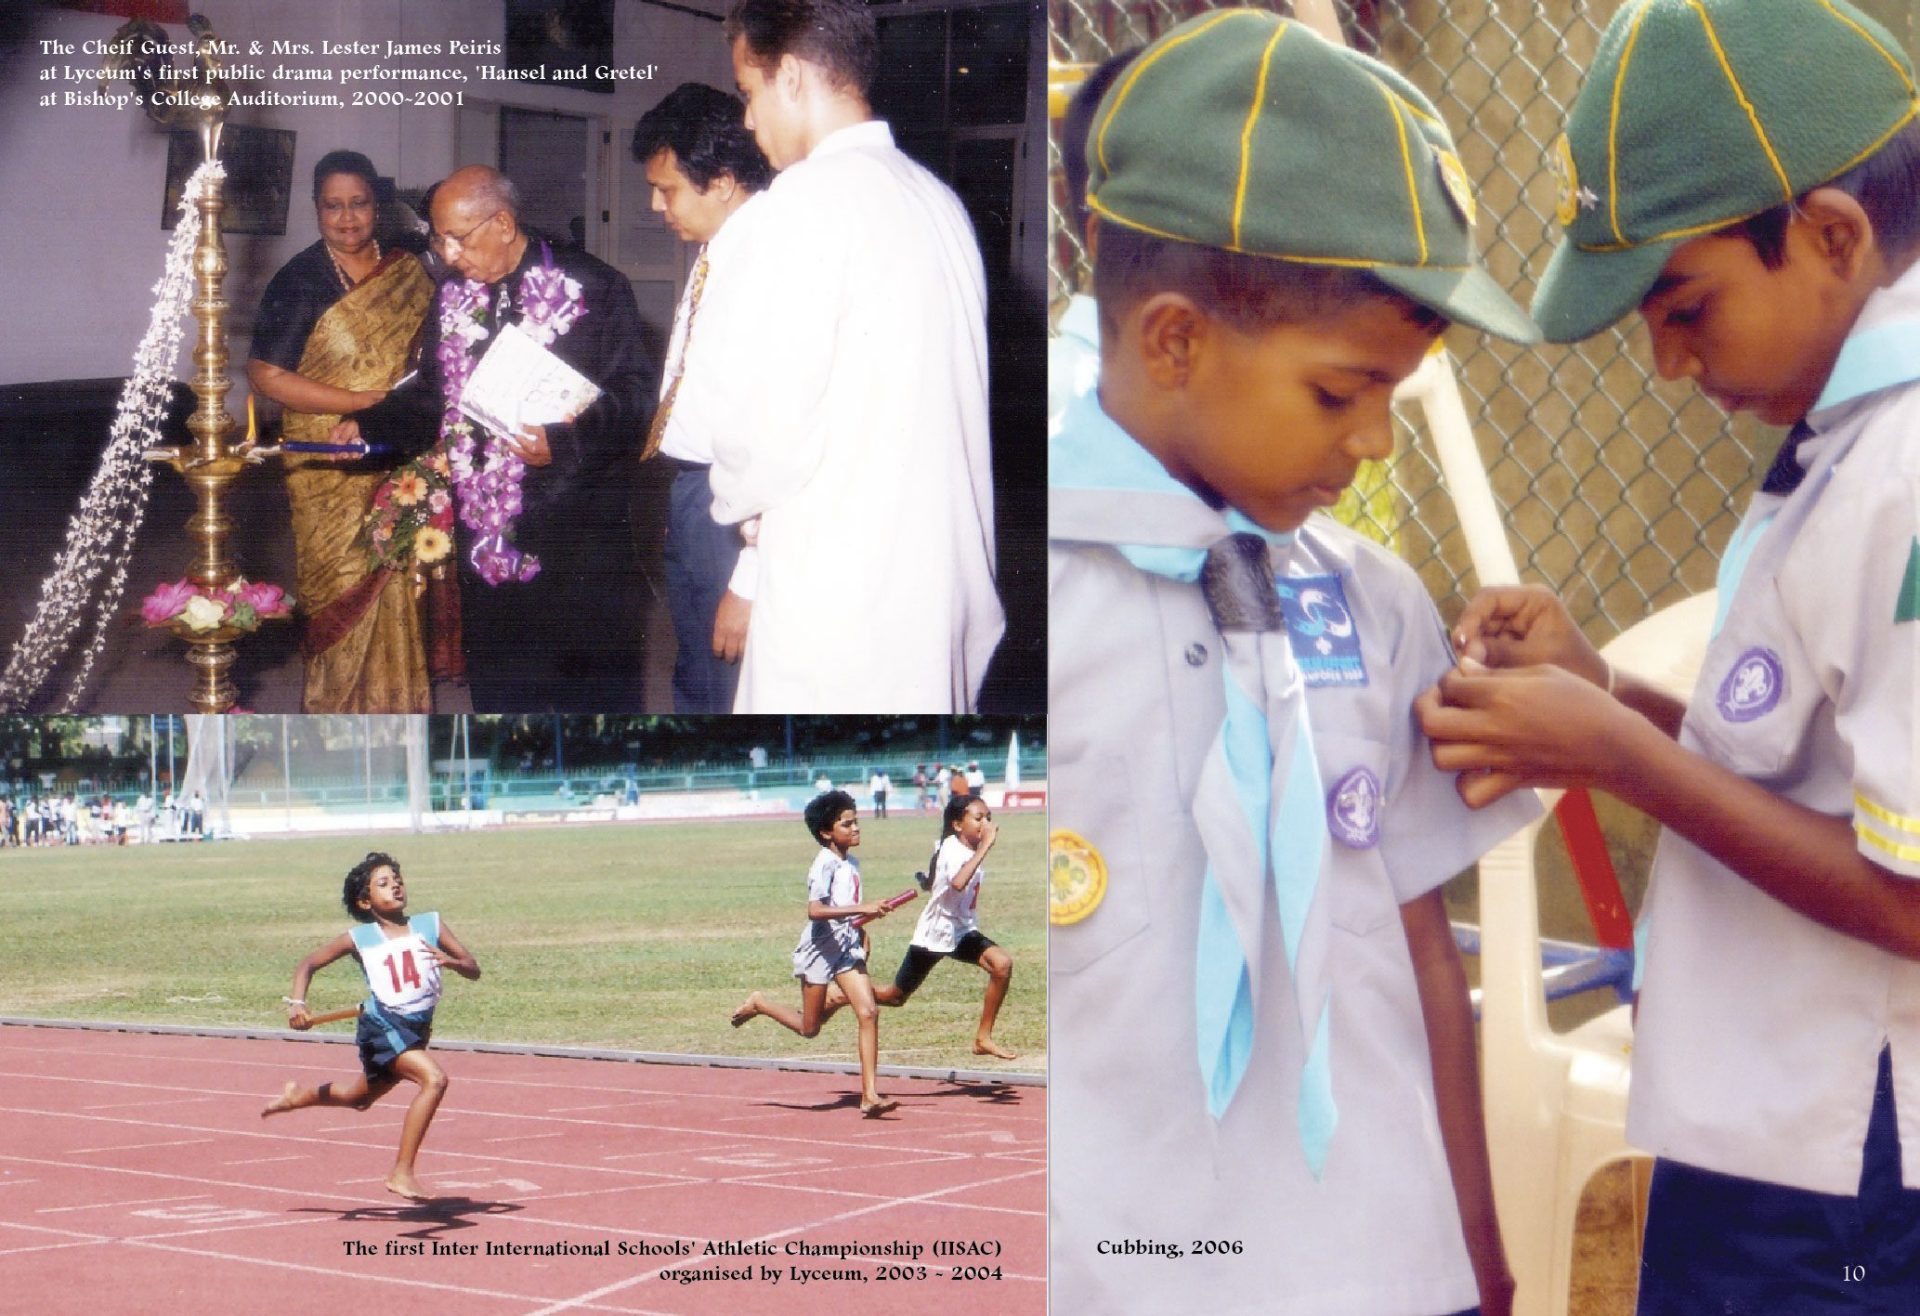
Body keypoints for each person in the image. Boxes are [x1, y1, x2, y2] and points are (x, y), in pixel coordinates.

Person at [1415, 2, 1920, 1310]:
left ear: (1831, 235)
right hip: (1777, 1132)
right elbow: (1813, 763)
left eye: (1684, 304)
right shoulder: (1850, 432)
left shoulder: (1909, 466)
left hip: (1847, 1160)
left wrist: (1622, 757)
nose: (1664, 358)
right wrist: (1607, 694)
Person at [1048, 13, 1544, 1315]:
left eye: (1396, 390)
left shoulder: (1371, 601)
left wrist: (1477, 1250)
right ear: (1173, 342)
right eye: (1340, 392)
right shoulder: (1018, 604)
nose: (1377, 440)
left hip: (1382, 1261)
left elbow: (1425, 947)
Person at [670, 0, 1003, 712]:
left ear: (789, 76)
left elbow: (761, 432)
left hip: (841, 584)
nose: (750, 121)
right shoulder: (936, 197)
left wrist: (742, 520)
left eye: (749, 93)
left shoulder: (800, 204)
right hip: (934, 578)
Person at [347, 165, 653, 711]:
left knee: (587, 696)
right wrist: (369, 428)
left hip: (577, 535)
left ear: (504, 224)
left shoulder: (596, 288)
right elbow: (432, 396)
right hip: (487, 534)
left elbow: (637, 403)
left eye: (456, 238)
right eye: (437, 240)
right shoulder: (453, 299)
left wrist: (566, 442)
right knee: (502, 691)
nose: (446, 254)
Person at [248, 150, 437, 713]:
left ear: (377, 206)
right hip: (325, 456)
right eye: (334, 206)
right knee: (340, 578)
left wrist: (400, 411)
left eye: (358, 204)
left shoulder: (408, 270)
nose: (348, 218)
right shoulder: (299, 279)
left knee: (399, 566)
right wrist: (361, 402)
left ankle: (397, 704)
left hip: (399, 443)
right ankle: (336, 710)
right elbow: (265, 375)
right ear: (316, 209)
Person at [630, 83, 775, 714]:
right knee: (694, 668)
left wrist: (749, 575)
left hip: (734, 504)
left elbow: (775, 430)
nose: (657, 205)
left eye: (668, 190)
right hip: (696, 490)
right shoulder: (719, 247)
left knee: (725, 682)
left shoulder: (766, 262)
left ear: (720, 180)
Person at [261, 852, 480, 1201]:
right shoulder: (359, 938)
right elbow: (308, 964)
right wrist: (297, 1004)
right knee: (434, 1080)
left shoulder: (431, 924)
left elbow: (473, 968)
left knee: (359, 1098)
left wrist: (451, 962)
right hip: (382, 1024)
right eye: (383, 883)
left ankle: (298, 1096)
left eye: (397, 879)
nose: (395, 885)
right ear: (365, 901)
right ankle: (401, 1172)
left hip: (417, 1028)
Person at [728, 790, 899, 1116]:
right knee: (810, 1029)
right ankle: (760, 1003)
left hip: (846, 947)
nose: (856, 828)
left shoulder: (852, 863)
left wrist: (862, 928)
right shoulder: (823, 865)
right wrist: (864, 908)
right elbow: (816, 910)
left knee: (869, 1012)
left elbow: (846, 910)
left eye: (856, 822)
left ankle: (869, 1095)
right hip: (819, 950)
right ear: (826, 832)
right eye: (847, 824)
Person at [826, 794, 1018, 1059]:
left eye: (988, 818)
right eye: (978, 818)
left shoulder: (955, 847)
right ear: (957, 825)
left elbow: (937, 872)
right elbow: (958, 882)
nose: (985, 823)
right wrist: (986, 846)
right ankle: (843, 994)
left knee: (1002, 964)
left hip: (962, 932)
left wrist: (928, 881)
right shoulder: (954, 849)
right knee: (895, 997)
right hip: (935, 934)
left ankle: (982, 1038)